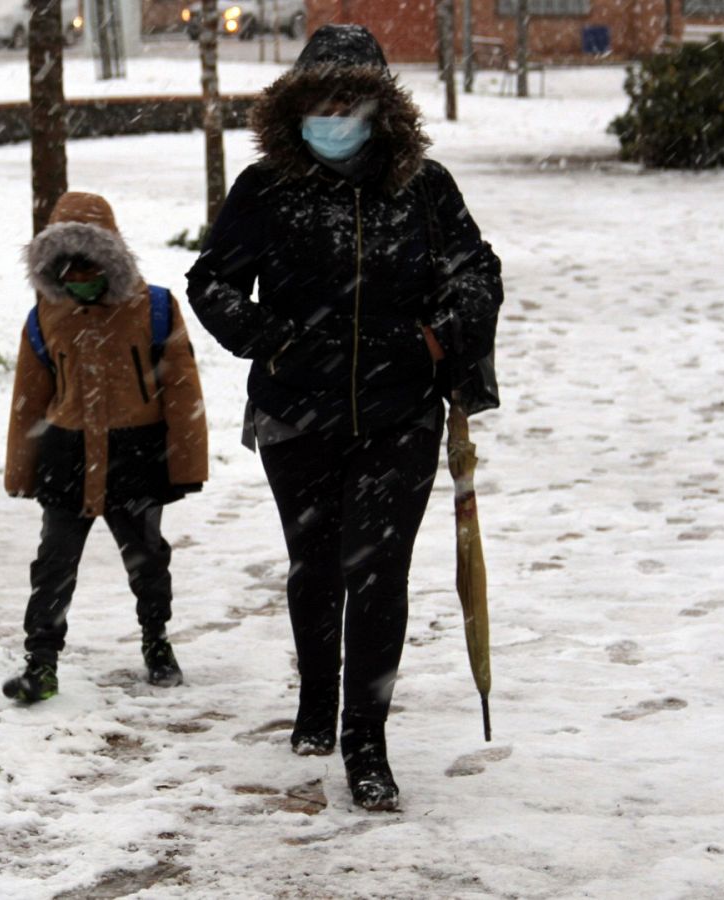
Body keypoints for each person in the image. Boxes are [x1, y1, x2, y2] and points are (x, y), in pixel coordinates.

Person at [185, 24, 502, 811]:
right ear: (295, 105)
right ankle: (314, 702)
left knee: (380, 574)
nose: (333, 114)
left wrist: (439, 335)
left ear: (379, 109)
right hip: (298, 414)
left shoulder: (424, 188)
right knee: (314, 566)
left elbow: (479, 274)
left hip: (399, 413)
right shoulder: (266, 189)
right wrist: (275, 339)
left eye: (348, 100)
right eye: (319, 100)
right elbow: (211, 283)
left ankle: (367, 741)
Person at [2, 191, 210, 704]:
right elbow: (29, 399)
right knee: (54, 562)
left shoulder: (155, 306)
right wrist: (21, 470)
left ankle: (156, 641)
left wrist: (185, 462)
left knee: (146, 558)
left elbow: (182, 388)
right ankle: (41, 663)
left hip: (135, 456)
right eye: (66, 266)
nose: (79, 275)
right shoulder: (44, 315)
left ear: (111, 257)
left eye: (90, 263)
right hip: (67, 455)